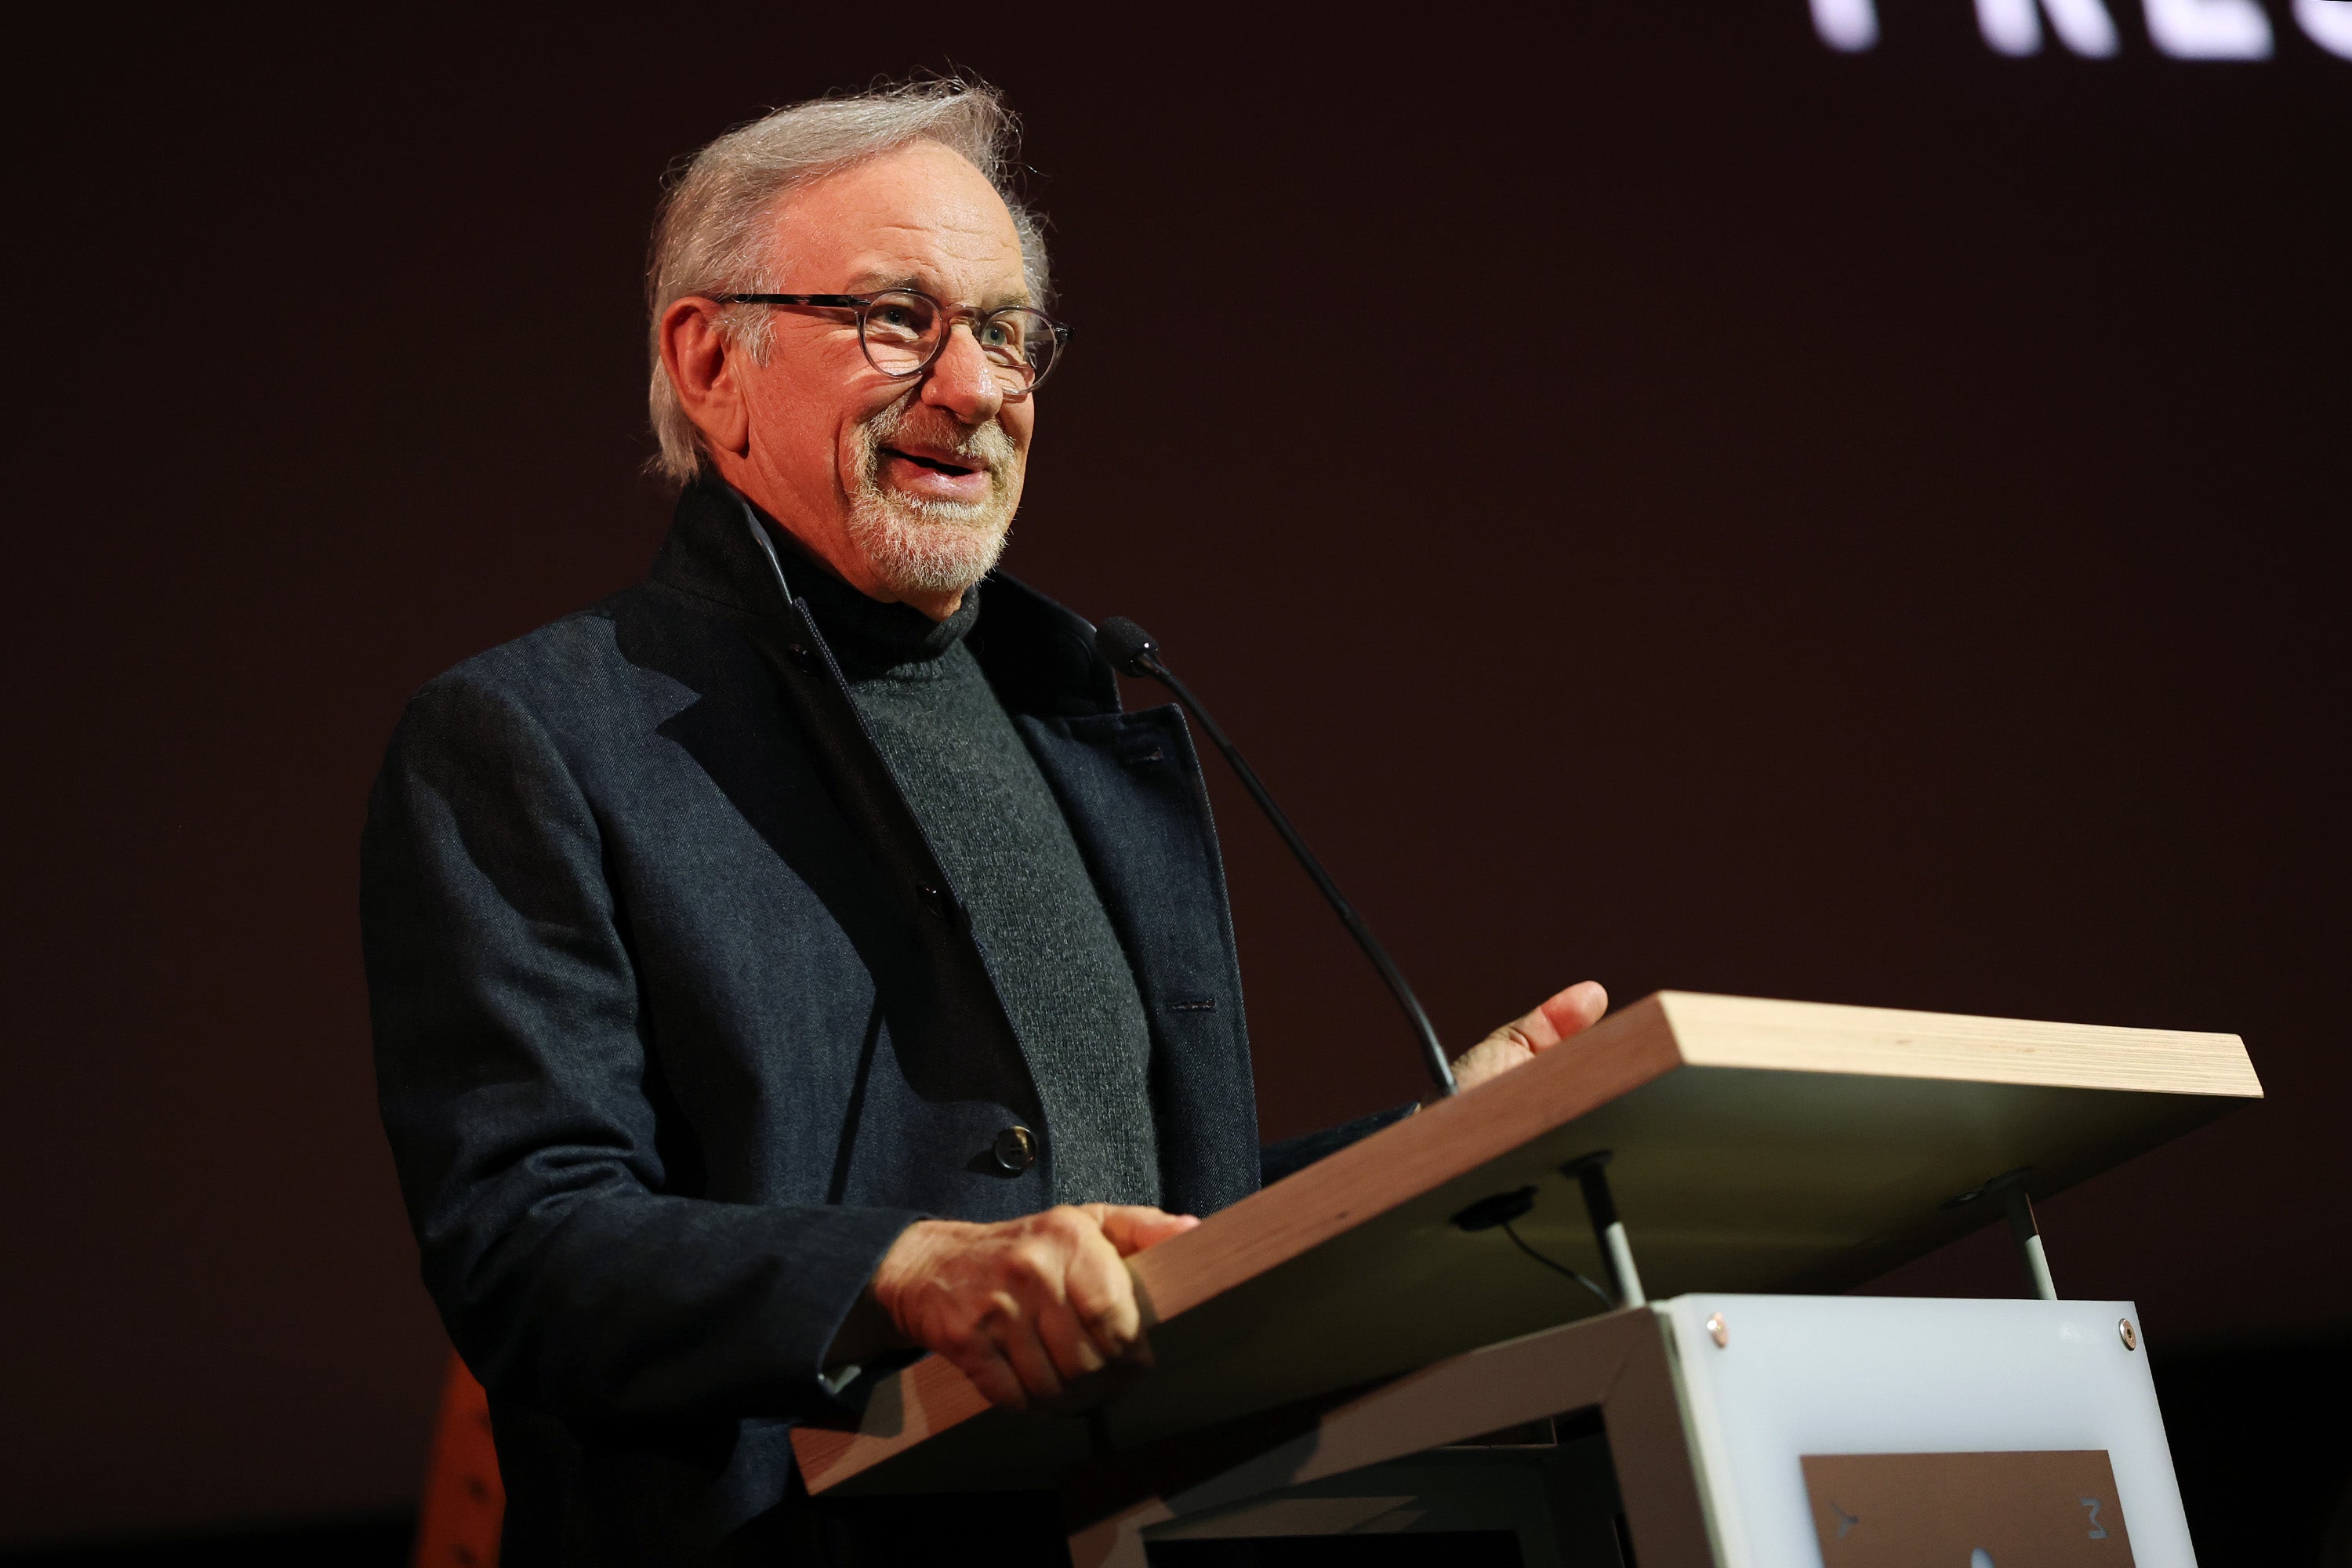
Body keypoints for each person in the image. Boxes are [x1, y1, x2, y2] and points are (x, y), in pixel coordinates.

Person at [361, 78, 1606, 1565]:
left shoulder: (1073, 721)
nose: (975, 388)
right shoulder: (534, 738)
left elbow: (1137, 1234)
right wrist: (903, 1272)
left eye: (1009, 334)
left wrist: (1438, 1153)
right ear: (709, 361)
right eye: (899, 318)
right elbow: (527, 1245)